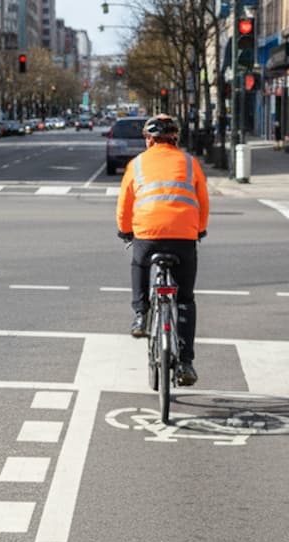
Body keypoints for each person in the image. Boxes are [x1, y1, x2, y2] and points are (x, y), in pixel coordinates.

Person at [116, 113, 209, 387]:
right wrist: (199, 229)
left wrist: (125, 230)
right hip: (183, 236)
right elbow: (203, 202)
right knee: (185, 299)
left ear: (148, 139)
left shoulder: (137, 164)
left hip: (147, 234)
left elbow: (125, 204)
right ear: (175, 138)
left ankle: (140, 314)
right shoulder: (190, 163)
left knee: (139, 263)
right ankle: (186, 363)